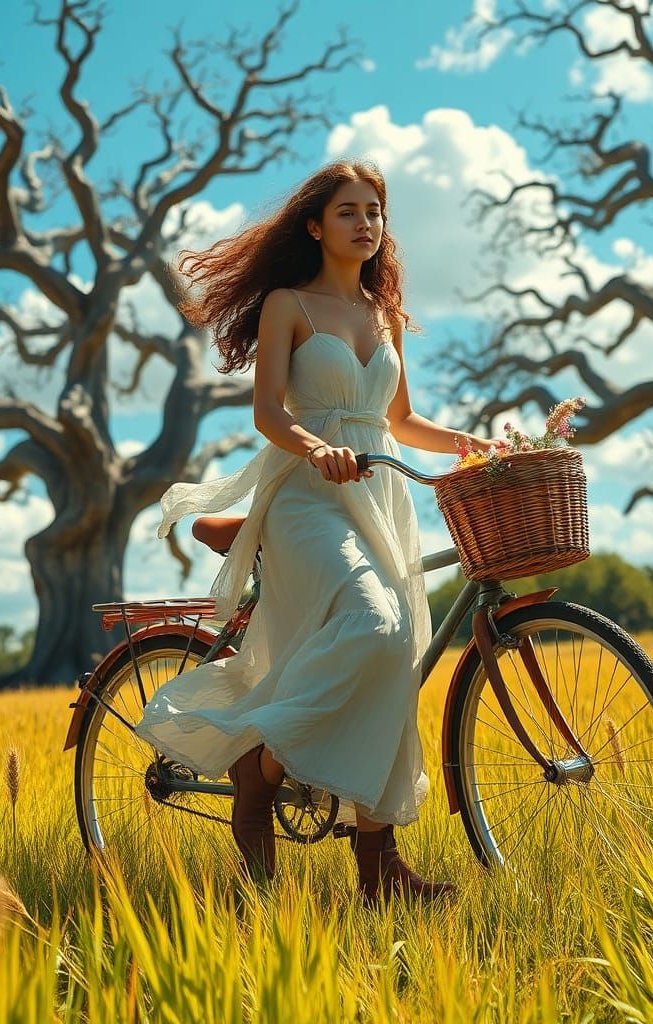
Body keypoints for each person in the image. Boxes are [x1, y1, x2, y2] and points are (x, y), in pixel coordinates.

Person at [134, 160, 503, 906]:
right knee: (375, 624)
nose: (366, 223)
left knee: (400, 652)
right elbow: (270, 413)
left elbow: (399, 423)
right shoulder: (288, 304)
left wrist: (473, 443)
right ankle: (261, 761)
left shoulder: (385, 313)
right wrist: (316, 447)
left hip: (380, 494)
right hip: (307, 495)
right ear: (314, 224)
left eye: (375, 211)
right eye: (348, 211)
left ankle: (379, 868)